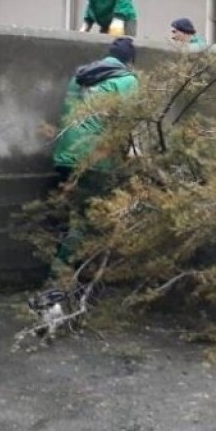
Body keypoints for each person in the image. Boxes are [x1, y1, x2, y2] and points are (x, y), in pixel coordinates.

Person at [51, 37, 140, 264]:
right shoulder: (127, 79)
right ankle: (59, 280)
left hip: (65, 153)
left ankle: (76, 275)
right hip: (94, 157)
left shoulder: (80, 76)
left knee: (74, 215)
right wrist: (133, 149)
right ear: (130, 61)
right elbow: (129, 121)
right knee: (86, 220)